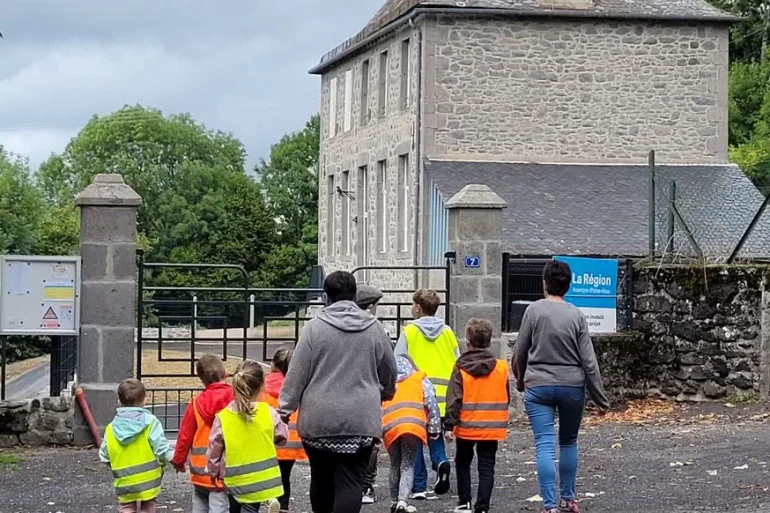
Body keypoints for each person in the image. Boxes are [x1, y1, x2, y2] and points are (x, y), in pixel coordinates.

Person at [279, 271, 397, 513]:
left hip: (319, 420)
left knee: (321, 478)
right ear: (355, 295)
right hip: (360, 419)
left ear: (326, 297)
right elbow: (389, 369)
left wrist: (284, 410)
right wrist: (386, 391)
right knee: (351, 481)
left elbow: (297, 374)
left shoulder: (314, 329)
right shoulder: (374, 329)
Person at [513, 260, 610, 513]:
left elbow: (520, 353)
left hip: (539, 385)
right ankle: (568, 498)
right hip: (571, 386)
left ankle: (549, 504)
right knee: (568, 441)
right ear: (568, 285)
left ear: (544, 283)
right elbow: (589, 361)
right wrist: (600, 397)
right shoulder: (576, 315)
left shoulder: (533, 311)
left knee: (544, 443)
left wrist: (521, 380)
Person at [394, 289, 465, 500]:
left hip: (418, 393)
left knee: (414, 439)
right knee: (436, 434)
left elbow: (398, 362)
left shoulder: (409, 332)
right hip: (445, 395)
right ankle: (440, 460)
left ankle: (418, 485)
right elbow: (457, 360)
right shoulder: (448, 332)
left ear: (417, 307)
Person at [444, 319, 510, 513]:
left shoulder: (460, 367)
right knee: (487, 466)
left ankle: (464, 502)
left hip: (467, 425)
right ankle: (482, 506)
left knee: (463, 462)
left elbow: (454, 398)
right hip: (492, 426)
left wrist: (449, 425)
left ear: (467, 341)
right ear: (489, 342)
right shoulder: (501, 367)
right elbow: (505, 394)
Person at [206, 360, 287, 513]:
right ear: (262, 385)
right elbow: (282, 436)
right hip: (263, 478)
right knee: (251, 507)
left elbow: (214, 449)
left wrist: (213, 471)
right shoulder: (268, 412)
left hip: (234, 478)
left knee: (235, 507)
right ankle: (271, 501)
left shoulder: (223, 417)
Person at [100, 378, 174, 513]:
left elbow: (104, 454)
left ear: (119, 400)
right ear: (144, 400)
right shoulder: (150, 422)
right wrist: (174, 458)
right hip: (149, 479)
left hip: (124, 479)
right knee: (148, 504)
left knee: (127, 506)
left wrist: (114, 466)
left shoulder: (111, 428)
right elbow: (160, 446)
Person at [171, 354, 234, 513]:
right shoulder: (235, 399)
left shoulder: (195, 402)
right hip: (222, 468)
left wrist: (179, 461)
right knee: (218, 505)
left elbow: (185, 436)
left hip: (200, 469)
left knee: (199, 502)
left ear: (202, 380)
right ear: (225, 373)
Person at [382, 356, 441, 513]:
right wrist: (434, 429)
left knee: (394, 464)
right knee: (407, 464)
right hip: (412, 426)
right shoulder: (419, 378)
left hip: (390, 425)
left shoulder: (384, 381)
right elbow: (432, 402)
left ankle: (394, 501)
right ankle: (403, 502)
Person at [263, 348, 307, 513]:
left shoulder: (263, 384)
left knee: (267, 475)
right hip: (291, 442)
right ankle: (283, 506)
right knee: (284, 477)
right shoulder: (297, 385)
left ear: (272, 364)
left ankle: (270, 500)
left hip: (268, 441)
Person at [355, 283, 386, 505]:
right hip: (368, 393)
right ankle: (366, 485)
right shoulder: (375, 328)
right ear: (371, 305)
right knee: (370, 442)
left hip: (339, 394)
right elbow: (387, 363)